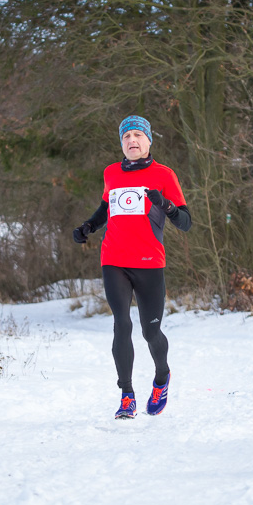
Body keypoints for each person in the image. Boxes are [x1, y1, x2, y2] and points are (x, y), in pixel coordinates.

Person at [73, 115, 192, 419]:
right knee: (121, 324)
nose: (132, 140)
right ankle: (127, 395)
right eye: (126, 136)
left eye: (138, 135)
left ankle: (162, 377)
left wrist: (164, 204)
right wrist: (88, 226)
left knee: (150, 333)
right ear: (122, 143)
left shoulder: (164, 174)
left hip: (150, 263)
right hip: (114, 260)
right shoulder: (111, 172)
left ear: (149, 141)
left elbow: (186, 223)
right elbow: (105, 208)